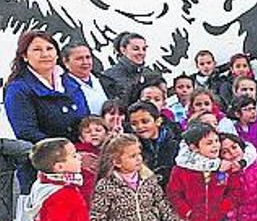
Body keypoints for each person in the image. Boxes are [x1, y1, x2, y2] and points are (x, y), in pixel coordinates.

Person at [5, 30, 90, 191]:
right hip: (41, 172)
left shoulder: (70, 82)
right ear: (24, 56)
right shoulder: (18, 89)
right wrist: (66, 155)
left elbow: (84, 121)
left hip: (78, 167)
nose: (45, 54)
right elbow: (26, 132)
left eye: (49, 49)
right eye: (37, 50)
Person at [101, 32, 162, 101]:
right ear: (123, 50)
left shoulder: (151, 75)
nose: (141, 52)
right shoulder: (109, 76)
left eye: (144, 49)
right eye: (136, 49)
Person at [61, 43, 109, 115]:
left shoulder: (106, 81)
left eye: (88, 57)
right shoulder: (62, 87)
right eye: (79, 59)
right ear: (66, 61)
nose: (85, 62)